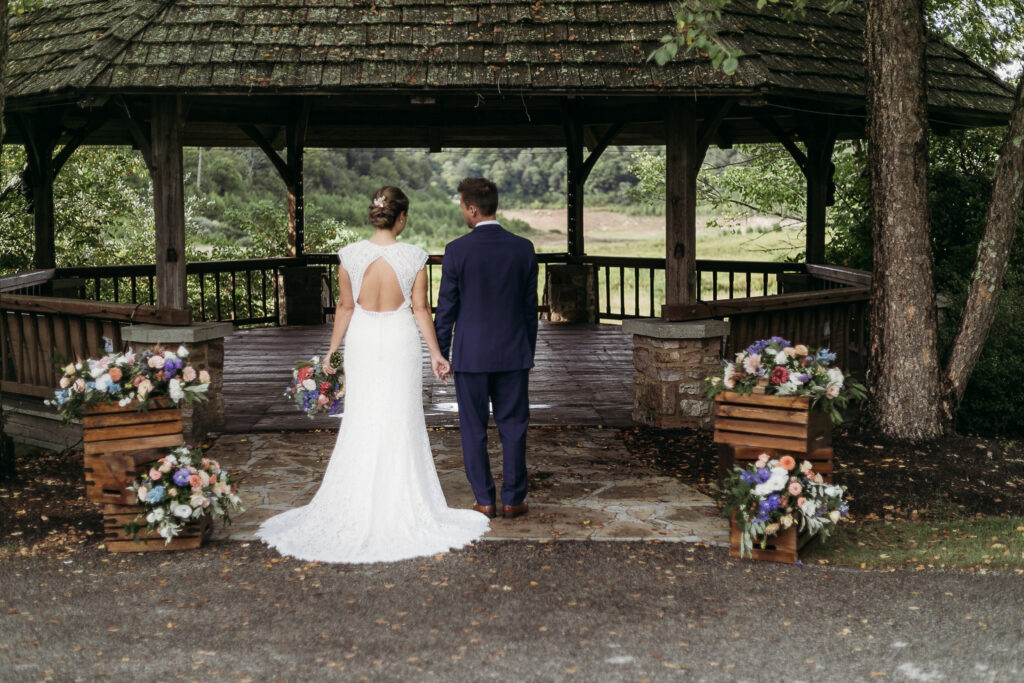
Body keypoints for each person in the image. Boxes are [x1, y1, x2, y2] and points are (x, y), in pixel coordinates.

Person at [256, 186, 490, 563]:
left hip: (363, 341)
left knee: (363, 418)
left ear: (375, 216)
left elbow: (345, 309)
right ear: (402, 218)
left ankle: (358, 497)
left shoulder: (349, 256)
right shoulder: (414, 256)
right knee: (400, 417)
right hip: (400, 341)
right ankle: (400, 501)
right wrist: (436, 353)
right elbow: (420, 310)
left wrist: (332, 352)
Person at [434, 178, 538, 520]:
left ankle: (484, 500)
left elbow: (446, 308)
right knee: (514, 426)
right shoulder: (523, 248)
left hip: (471, 355)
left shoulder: (457, 250)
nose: (463, 212)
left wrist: (441, 352)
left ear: (473, 208)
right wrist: (529, 353)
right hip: (512, 353)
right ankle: (513, 499)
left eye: (463, 207)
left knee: (473, 428)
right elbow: (529, 309)